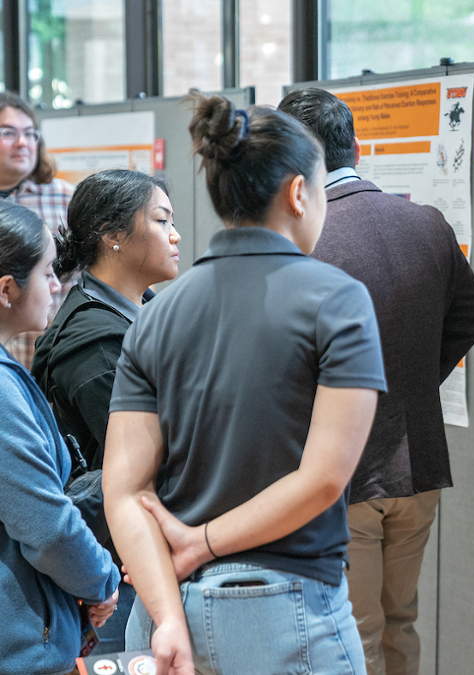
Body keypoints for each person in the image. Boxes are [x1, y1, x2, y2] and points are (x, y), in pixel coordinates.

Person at [103, 92, 386, 675]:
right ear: (298, 193)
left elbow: (125, 492)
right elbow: (324, 477)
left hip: (165, 609)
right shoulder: (338, 300)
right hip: (286, 612)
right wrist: (200, 542)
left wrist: (169, 619)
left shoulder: (157, 311)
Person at [277, 87, 474, 675]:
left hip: (339, 471)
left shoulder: (302, 240)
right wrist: (417, 378)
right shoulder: (426, 222)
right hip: (418, 465)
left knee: (354, 633)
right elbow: (472, 315)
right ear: (357, 148)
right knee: (401, 623)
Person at [31, 169, 180, 654]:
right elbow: (156, 455)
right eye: (161, 221)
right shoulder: (92, 342)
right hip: (114, 569)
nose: (175, 235)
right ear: (114, 237)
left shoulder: (137, 312)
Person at [0, 201, 120, 675]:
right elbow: (45, 525)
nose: (56, 286)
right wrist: (101, 579)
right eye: (48, 272)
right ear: (7, 288)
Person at [0, 92, 75, 370]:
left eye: (30, 133)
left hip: (53, 362)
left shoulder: (66, 200)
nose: (22, 142)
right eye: (8, 132)